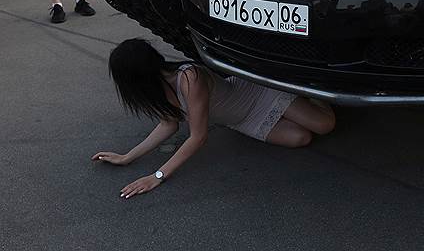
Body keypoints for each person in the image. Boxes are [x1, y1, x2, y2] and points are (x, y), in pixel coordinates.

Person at [92, 38, 335, 198]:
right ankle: (298, 104)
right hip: (241, 120)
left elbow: (198, 137)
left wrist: (157, 176)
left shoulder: (189, 79)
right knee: (300, 138)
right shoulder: (159, 89)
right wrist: (127, 157)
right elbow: (169, 124)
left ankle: (311, 91)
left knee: (325, 125)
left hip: (256, 95)